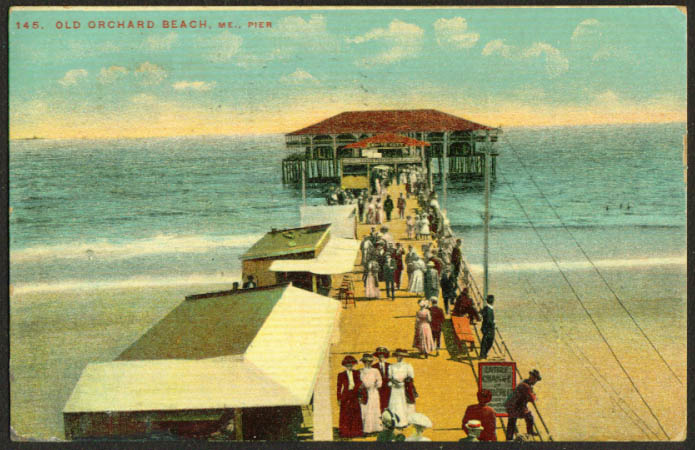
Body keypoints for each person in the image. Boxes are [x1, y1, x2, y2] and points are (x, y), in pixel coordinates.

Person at [505, 370, 542, 441]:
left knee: (512, 421)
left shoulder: (525, 383)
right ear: (532, 378)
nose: (535, 382)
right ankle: (530, 432)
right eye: (535, 380)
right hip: (516, 406)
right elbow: (531, 398)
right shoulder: (525, 385)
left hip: (515, 405)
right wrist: (534, 396)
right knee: (529, 417)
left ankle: (509, 438)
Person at [387, 349, 415, 428]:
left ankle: (403, 422)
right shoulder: (392, 366)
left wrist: (404, 382)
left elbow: (411, 377)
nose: (400, 357)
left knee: (403, 404)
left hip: (404, 388)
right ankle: (395, 422)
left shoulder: (407, 366)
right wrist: (395, 382)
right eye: (398, 356)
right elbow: (390, 377)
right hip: (395, 388)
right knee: (395, 404)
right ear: (396, 356)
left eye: (402, 356)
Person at [337, 356, 363, 438]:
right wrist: (339, 399)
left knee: (356, 413)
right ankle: (345, 432)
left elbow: (359, 384)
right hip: (346, 395)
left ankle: (356, 432)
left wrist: (359, 396)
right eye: (347, 364)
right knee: (346, 413)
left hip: (354, 395)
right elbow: (338, 387)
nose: (349, 366)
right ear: (345, 365)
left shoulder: (357, 373)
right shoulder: (341, 375)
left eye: (351, 364)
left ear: (353, 364)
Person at [358, 354, 383, 434]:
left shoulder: (375, 371)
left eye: (369, 362)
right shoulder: (360, 371)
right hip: (365, 393)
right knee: (365, 409)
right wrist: (362, 387)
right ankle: (366, 428)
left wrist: (377, 384)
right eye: (366, 362)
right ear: (363, 362)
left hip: (373, 392)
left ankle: (376, 427)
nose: (368, 363)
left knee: (374, 408)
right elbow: (358, 382)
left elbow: (380, 381)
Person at [372, 347, 391, 412]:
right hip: (378, 389)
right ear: (377, 357)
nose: (381, 358)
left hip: (388, 389)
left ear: (385, 357)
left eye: (383, 356)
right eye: (380, 356)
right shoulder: (374, 366)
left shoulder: (390, 366)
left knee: (388, 404)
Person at [479, 295, 495, 359]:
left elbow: (481, 312)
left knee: (486, 341)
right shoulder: (489, 309)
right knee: (489, 341)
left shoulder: (487, 308)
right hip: (489, 328)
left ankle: (483, 354)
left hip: (485, 327)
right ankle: (483, 355)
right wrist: (493, 323)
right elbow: (489, 320)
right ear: (492, 301)